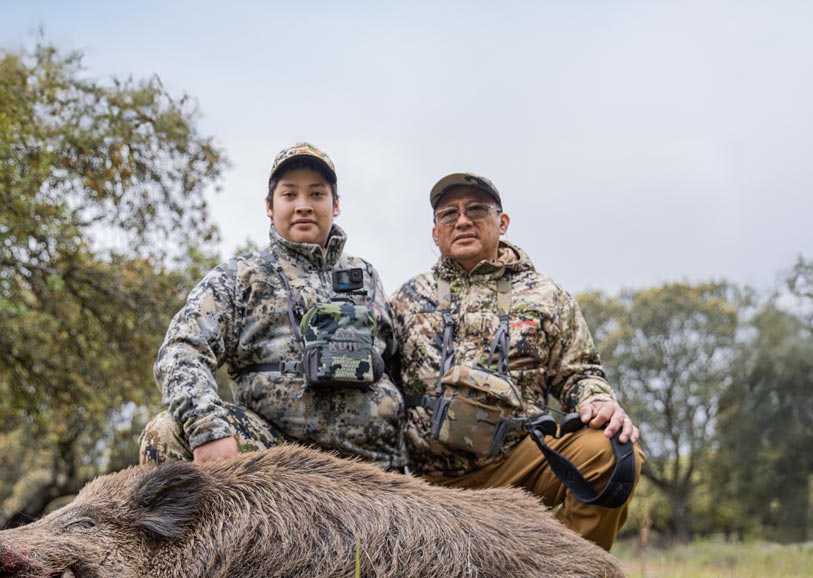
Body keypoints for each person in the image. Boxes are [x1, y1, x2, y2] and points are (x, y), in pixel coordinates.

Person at [388, 172, 642, 550]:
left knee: (613, 453)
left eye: (476, 209)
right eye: (448, 214)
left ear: (502, 223)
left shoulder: (547, 294)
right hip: (428, 481)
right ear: (435, 232)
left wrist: (597, 400)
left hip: (519, 462)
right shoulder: (404, 299)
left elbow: (580, 373)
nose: (462, 220)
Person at [139, 143, 406, 470]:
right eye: (290, 195)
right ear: (269, 206)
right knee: (166, 433)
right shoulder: (241, 277)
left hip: (373, 465)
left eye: (317, 195)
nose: (304, 206)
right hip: (277, 460)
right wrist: (207, 428)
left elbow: (397, 364)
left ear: (336, 205)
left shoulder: (367, 276)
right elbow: (181, 350)